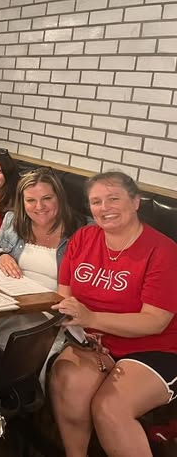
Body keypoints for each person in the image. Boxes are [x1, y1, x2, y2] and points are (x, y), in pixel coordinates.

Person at [50, 172, 177, 457]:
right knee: (67, 380)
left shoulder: (164, 251)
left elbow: (155, 322)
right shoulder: (84, 237)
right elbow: (64, 296)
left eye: (113, 199)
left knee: (109, 407)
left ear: (135, 202)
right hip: (92, 341)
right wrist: (81, 331)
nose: (104, 208)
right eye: (96, 202)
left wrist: (91, 319)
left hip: (153, 348)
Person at [0, 168, 84, 348]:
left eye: (47, 198)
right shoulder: (12, 220)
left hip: (51, 314)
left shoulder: (82, 232)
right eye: (31, 200)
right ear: (22, 202)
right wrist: (2, 255)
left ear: (59, 198)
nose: (39, 207)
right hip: (9, 304)